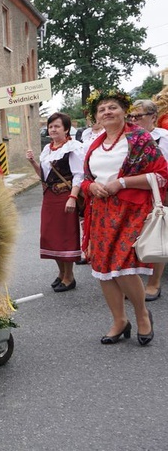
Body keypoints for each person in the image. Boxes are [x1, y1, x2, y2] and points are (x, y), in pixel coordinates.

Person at [81, 88, 168, 346]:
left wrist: (122, 182)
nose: (107, 112)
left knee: (121, 267)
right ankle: (119, 320)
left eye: (112, 107)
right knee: (103, 269)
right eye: (102, 109)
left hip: (130, 212)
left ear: (124, 111)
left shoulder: (139, 138)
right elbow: (86, 178)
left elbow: (162, 175)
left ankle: (142, 314)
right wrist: (89, 188)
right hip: (100, 213)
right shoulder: (95, 143)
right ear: (96, 117)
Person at [25, 112, 84, 292]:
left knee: (65, 236)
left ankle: (69, 276)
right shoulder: (47, 149)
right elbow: (43, 176)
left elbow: (78, 175)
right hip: (49, 197)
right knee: (51, 236)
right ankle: (61, 273)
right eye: (51, 126)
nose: (53, 129)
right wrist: (33, 162)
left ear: (66, 129)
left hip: (65, 197)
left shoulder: (73, 147)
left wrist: (73, 197)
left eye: (57, 126)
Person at [129, 99, 168, 301]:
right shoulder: (128, 138)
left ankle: (154, 283)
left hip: (160, 192)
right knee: (134, 237)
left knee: (157, 234)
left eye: (139, 116)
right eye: (132, 116)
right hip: (134, 193)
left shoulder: (164, 138)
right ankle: (134, 282)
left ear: (153, 116)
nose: (134, 120)